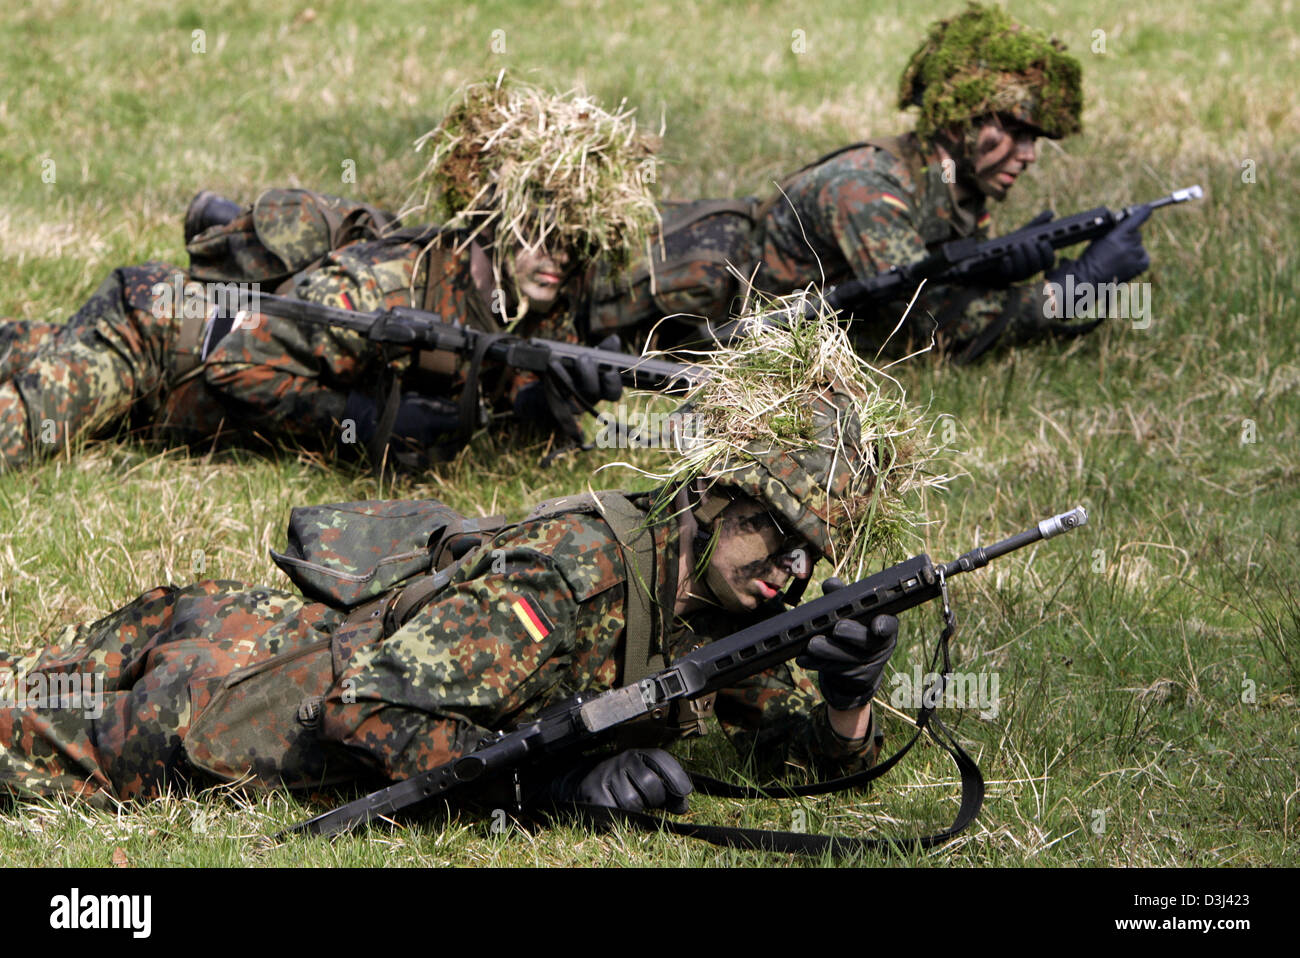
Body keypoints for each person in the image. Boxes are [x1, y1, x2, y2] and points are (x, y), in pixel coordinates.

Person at [0, 306, 927, 818]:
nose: (789, 573)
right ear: (712, 495)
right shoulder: (577, 577)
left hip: (256, 628)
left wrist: (847, 700)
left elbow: (781, 756)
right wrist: (551, 787)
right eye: (775, 535)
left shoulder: (715, 596)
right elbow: (367, 713)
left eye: (810, 557)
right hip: (231, 704)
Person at [0, 77, 660, 469]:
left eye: (574, 241)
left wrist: (553, 399)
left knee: (25, 351)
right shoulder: (384, 286)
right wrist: (358, 419)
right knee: (22, 429)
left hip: (171, 411)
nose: (557, 256)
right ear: (499, 220)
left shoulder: (529, 298)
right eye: (542, 234)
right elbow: (232, 363)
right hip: (153, 336)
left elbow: (500, 395)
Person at [587, 3, 1153, 363]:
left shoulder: (954, 189)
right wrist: (1073, 288)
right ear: (958, 120)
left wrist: (1000, 264)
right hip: (667, 317)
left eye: (1037, 138)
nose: (1028, 155)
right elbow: (928, 327)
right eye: (1012, 130)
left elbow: (938, 282)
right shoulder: (870, 191)